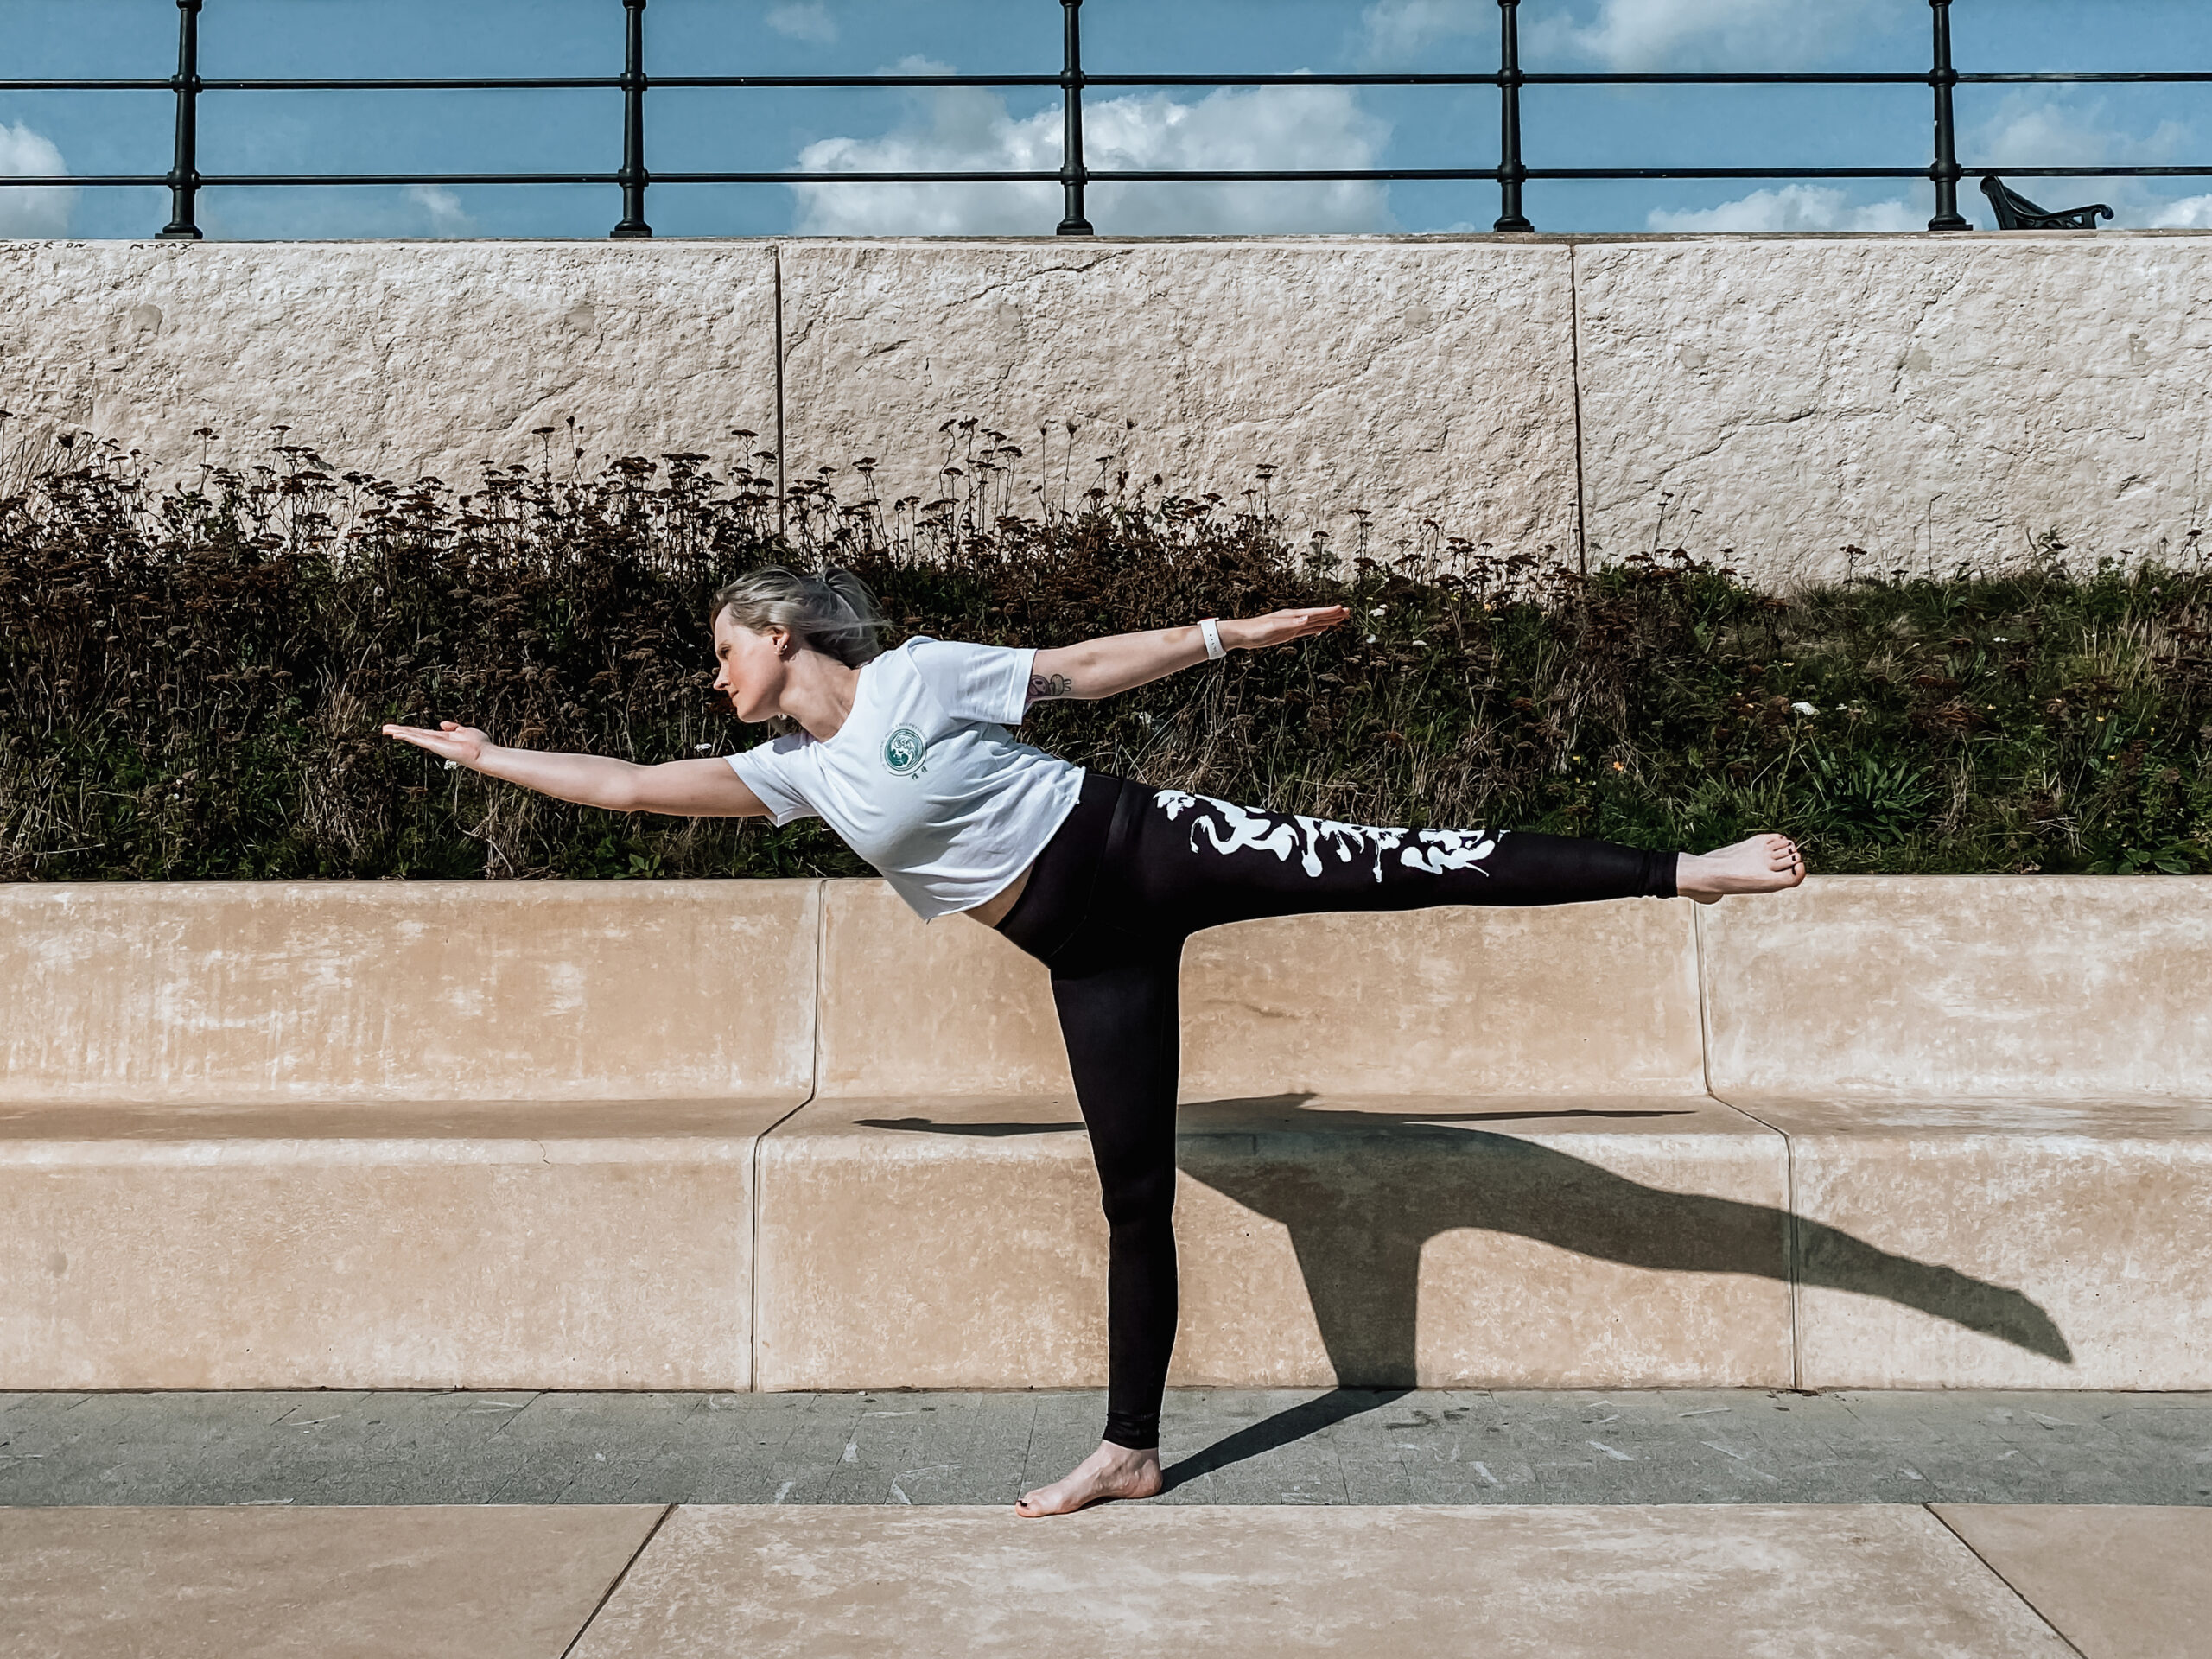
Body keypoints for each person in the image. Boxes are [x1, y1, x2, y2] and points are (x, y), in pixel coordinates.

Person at [383, 564, 1804, 1518]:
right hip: (1089, 951)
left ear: (780, 635)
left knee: (1409, 858)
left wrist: (1225, 637)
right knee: (1133, 1192)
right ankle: (1131, 1449)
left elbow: (1073, 672)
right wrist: (491, 756)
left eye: (723, 651)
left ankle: (1694, 868)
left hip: (1152, 847)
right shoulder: (799, 773)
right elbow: (634, 789)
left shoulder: (921, 677)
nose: (717, 678)